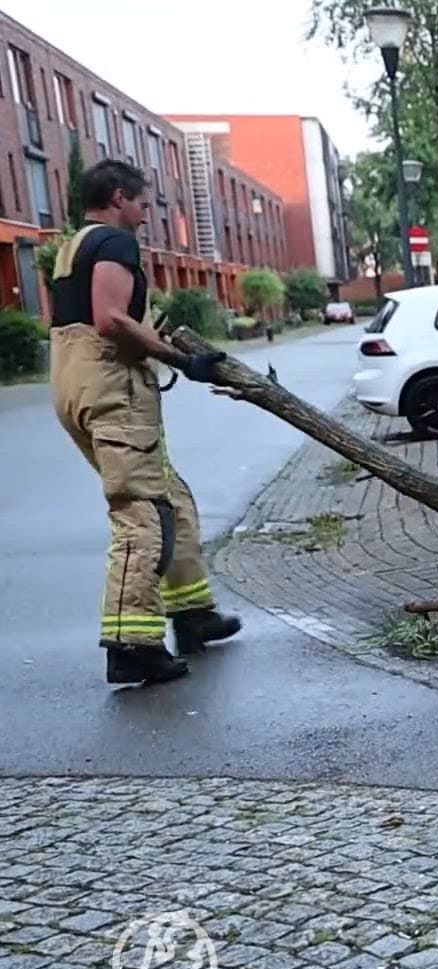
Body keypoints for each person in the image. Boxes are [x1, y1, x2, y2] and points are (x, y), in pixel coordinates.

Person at [49, 160, 240, 684]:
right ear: (118, 198)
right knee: (142, 515)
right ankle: (130, 643)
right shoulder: (114, 243)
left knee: (169, 497)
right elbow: (111, 320)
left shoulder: (74, 245)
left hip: (75, 383)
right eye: (142, 203)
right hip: (112, 389)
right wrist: (183, 361)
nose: (146, 214)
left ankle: (193, 615)